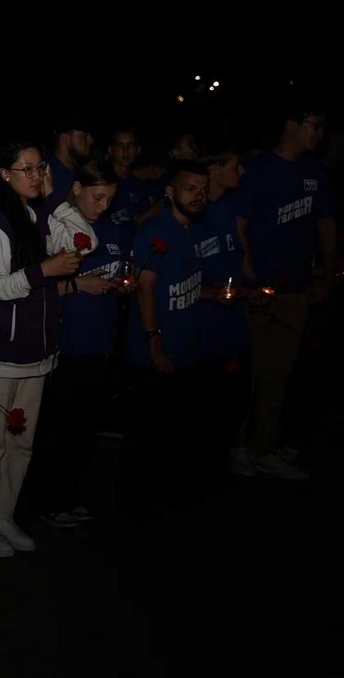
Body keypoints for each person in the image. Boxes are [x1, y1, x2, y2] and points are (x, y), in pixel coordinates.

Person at [0, 141, 80, 557]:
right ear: (4, 174)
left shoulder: (36, 215)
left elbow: (84, 242)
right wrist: (43, 270)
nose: (35, 175)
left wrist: (54, 199)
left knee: (20, 444)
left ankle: (2, 514)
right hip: (3, 353)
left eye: (39, 167)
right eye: (25, 169)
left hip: (37, 351)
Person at [234, 98, 337, 479]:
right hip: (259, 292)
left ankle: (264, 448)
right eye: (313, 124)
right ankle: (239, 446)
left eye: (323, 126)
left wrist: (327, 277)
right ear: (292, 124)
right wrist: (250, 280)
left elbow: (326, 225)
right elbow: (239, 226)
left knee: (279, 373)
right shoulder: (258, 170)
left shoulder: (315, 171)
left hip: (296, 291)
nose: (319, 133)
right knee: (251, 370)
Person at [30, 161, 126, 528]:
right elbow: (33, 286)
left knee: (83, 430)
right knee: (59, 429)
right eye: (97, 197)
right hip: (66, 343)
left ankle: (70, 496)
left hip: (100, 342)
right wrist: (76, 285)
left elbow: (114, 273)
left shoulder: (112, 230)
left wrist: (121, 283)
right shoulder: (58, 228)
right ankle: (47, 502)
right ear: (75, 189)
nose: (103, 205)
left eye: (110, 199)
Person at [121, 160, 215, 515]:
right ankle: (136, 511)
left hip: (185, 351)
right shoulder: (155, 231)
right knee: (149, 438)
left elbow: (181, 287)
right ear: (170, 192)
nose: (199, 196)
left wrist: (218, 294)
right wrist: (155, 344)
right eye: (191, 189)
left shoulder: (191, 230)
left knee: (177, 434)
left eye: (203, 190)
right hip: (154, 357)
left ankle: (166, 502)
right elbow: (145, 290)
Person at [192, 143, 256, 477]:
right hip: (203, 328)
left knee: (237, 397)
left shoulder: (229, 210)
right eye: (235, 165)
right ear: (214, 169)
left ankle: (219, 465)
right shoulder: (191, 216)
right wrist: (208, 293)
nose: (241, 172)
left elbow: (238, 260)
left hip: (233, 325)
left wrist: (252, 289)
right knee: (206, 404)